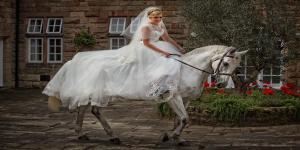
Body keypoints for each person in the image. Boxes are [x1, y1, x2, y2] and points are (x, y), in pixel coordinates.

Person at [43, 7, 186, 110]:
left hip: (158, 46)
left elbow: (166, 37)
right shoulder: (146, 28)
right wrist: (162, 52)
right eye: (155, 17)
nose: (158, 20)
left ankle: (164, 87)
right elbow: (147, 43)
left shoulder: (160, 24)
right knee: (146, 65)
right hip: (145, 48)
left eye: (160, 17)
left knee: (172, 63)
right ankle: (153, 88)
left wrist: (177, 46)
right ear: (149, 18)